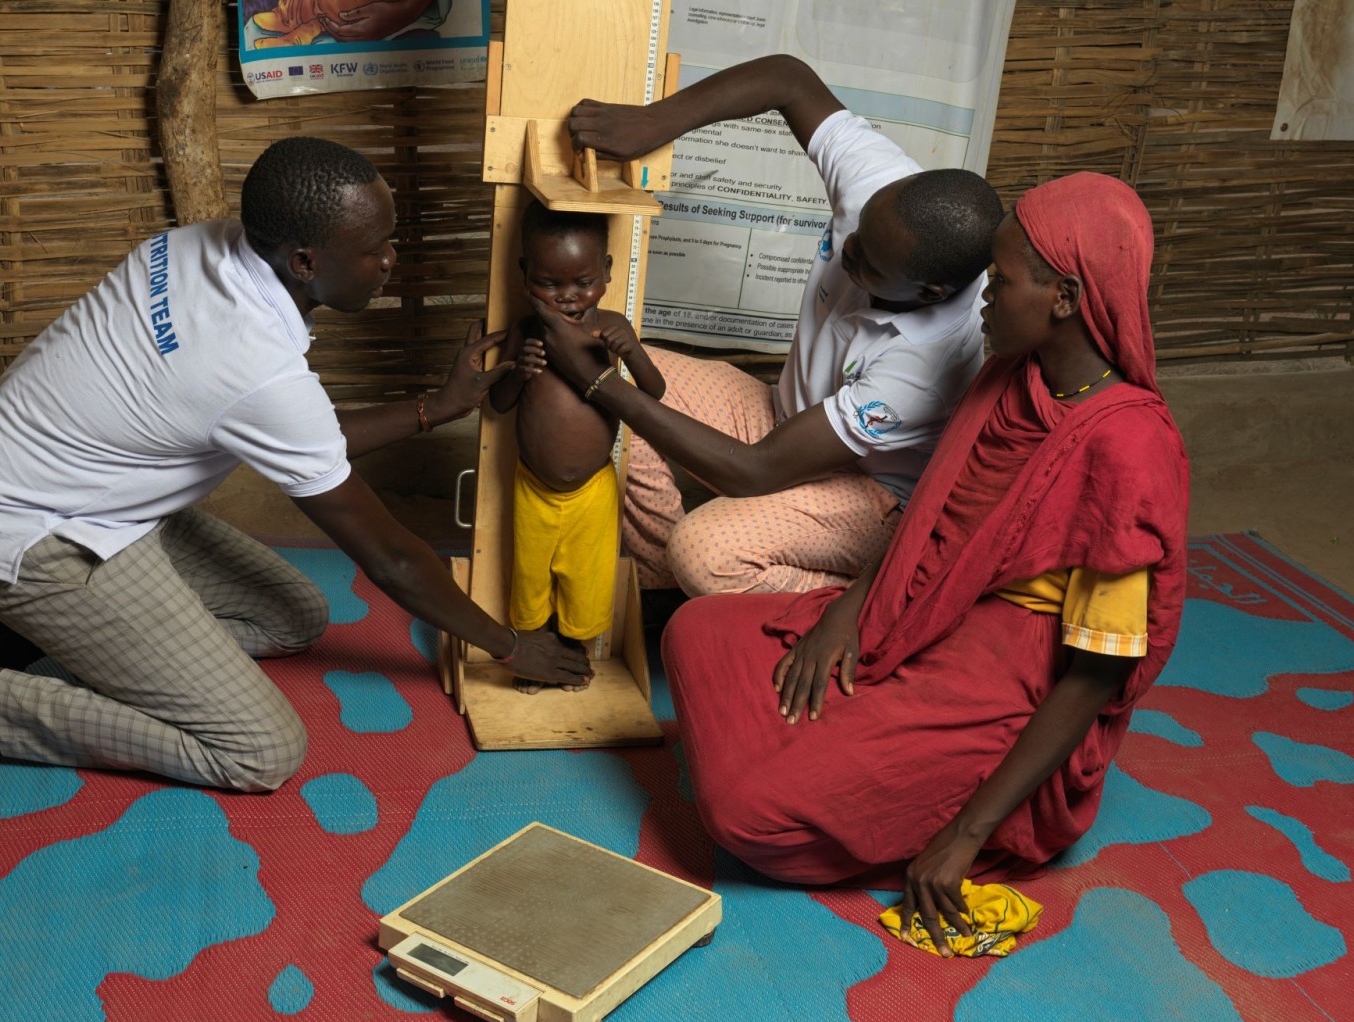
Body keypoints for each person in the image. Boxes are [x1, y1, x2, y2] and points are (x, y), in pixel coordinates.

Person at [0, 136, 590, 791]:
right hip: (34, 536)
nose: (389, 260)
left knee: (293, 617)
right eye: (373, 250)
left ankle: (16, 626)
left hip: (56, 484)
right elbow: (392, 559)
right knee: (259, 750)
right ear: (301, 260)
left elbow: (296, 438)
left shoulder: (194, 246)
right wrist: (507, 646)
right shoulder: (253, 363)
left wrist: (434, 409)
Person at [659, 172, 1190, 953]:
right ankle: (848, 758)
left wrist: (967, 836)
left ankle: (913, 799)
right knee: (698, 631)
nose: (980, 299)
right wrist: (849, 609)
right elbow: (937, 525)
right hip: (925, 607)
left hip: (1011, 674)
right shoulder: (1013, 373)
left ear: (1066, 297)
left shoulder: (1129, 448)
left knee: (747, 813)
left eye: (1001, 282)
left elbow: (1095, 674)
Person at [538, 54, 1002, 598]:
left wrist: (602, 388)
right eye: (857, 229)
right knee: (609, 364)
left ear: (930, 293)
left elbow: (756, 472)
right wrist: (655, 121)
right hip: (783, 420)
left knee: (703, 552)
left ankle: (862, 602)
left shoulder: (924, 368)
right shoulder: (891, 196)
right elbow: (788, 78)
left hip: (869, 497)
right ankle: (664, 586)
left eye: (868, 262)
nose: (848, 249)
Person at [487, 203, 666, 693]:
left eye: (583, 282)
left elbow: (654, 394)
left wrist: (631, 351)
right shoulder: (526, 331)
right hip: (532, 489)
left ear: (608, 272)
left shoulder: (611, 328)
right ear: (525, 274)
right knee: (530, 580)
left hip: (593, 490)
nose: (568, 297)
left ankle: (574, 656)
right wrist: (518, 372)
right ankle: (533, 656)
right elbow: (499, 405)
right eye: (550, 283)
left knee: (586, 583)